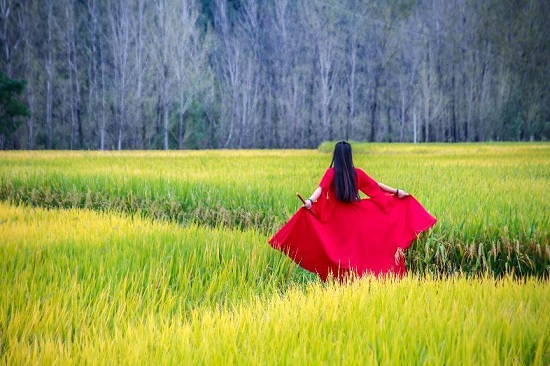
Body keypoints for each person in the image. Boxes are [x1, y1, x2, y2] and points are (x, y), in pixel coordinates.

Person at [268, 141, 436, 281]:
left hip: (338, 218)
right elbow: (376, 186)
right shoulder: (357, 173)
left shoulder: (331, 173)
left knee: (338, 251)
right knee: (361, 252)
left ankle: (344, 280)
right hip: (357, 217)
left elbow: (320, 189)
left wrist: (311, 201)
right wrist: (397, 192)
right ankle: (366, 278)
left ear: (335, 155)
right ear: (349, 156)